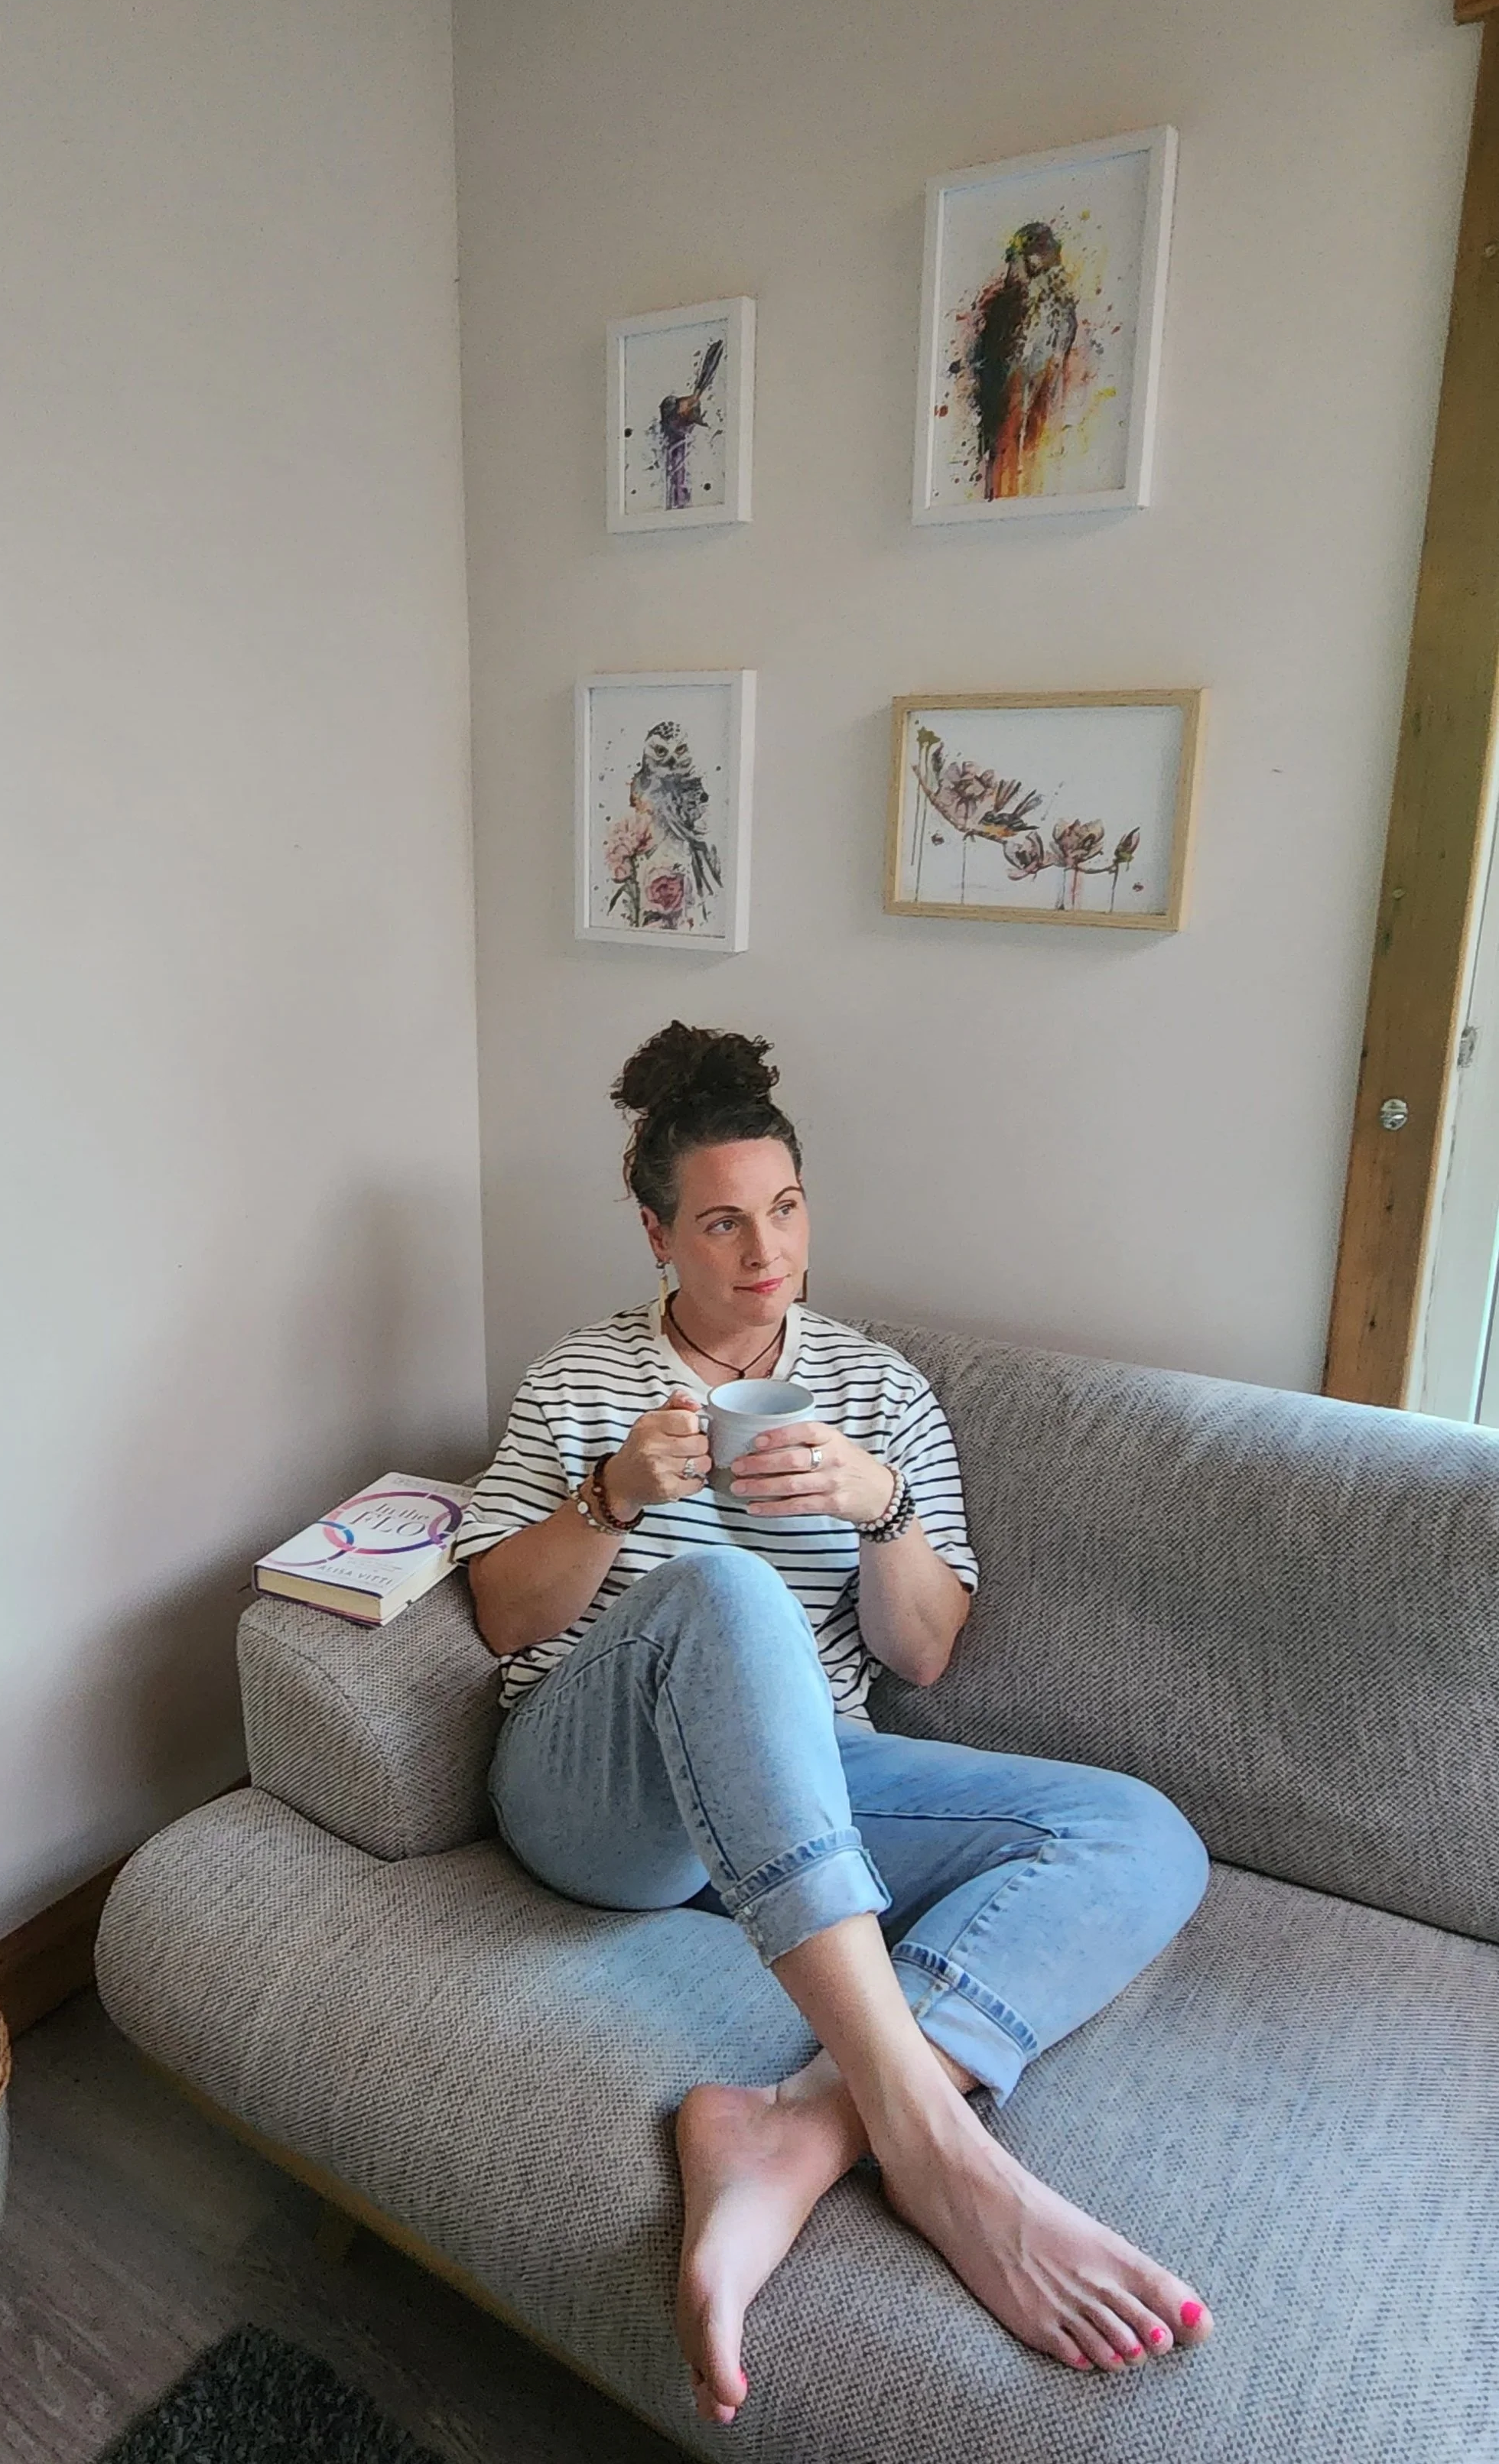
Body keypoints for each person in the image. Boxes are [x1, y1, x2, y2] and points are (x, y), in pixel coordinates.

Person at [453, 1022, 1215, 2427]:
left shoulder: (876, 1392)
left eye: (787, 1211)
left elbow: (921, 1650)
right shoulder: (584, 1378)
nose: (765, 1253)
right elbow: (504, 1621)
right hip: (596, 1798)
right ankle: (933, 2147)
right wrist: (614, 1496)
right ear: (657, 1236)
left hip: (806, 1778)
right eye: (724, 1223)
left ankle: (798, 2126)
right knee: (726, 1589)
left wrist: (883, 1510)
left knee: (1140, 1832)